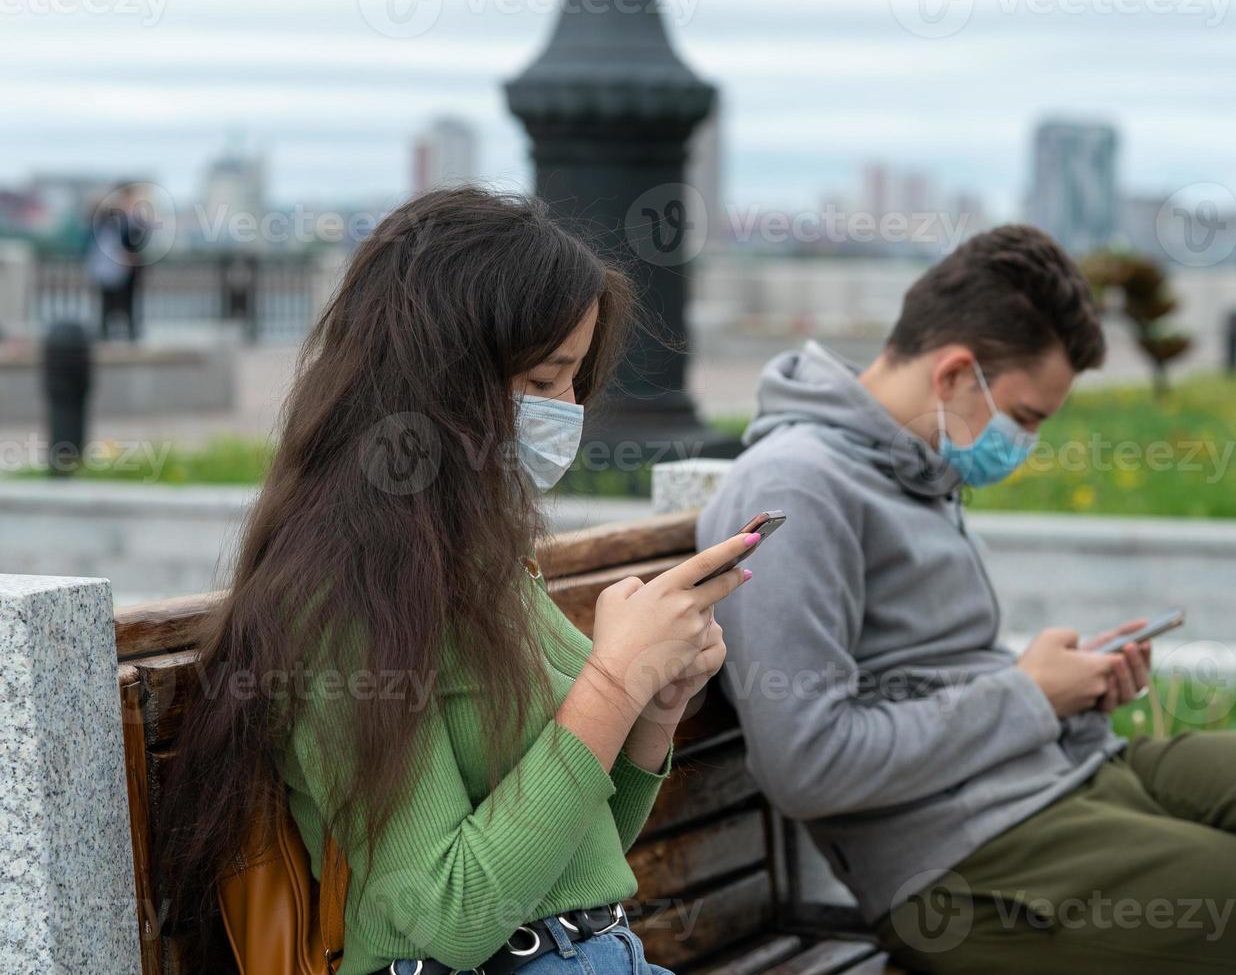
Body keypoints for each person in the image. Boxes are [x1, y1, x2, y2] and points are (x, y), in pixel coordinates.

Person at [698, 225, 1236, 974]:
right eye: (1026, 418)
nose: (1024, 444)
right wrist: (1030, 694)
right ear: (956, 374)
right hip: (964, 867)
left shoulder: (919, 467)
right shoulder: (794, 487)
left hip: (1064, 775)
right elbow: (807, 763)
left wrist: (1067, 687)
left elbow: (940, 677)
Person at [156, 187, 759, 975]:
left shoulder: (482, 557)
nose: (568, 410)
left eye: (576, 381)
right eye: (544, 382)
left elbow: (577, 846)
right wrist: (617, 676)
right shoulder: (342, 599)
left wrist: (655, 705)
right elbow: (448, 913)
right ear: (440, 384)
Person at [88, 183, 151, 341]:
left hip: (127, 269)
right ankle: (107, 331)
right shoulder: (110, 217)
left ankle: (129, 330)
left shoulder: (133, 219)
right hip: (112, 268)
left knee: (128, 301)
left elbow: (139, 238)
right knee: (108, 300)